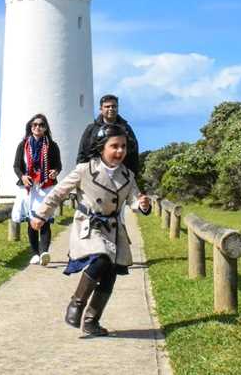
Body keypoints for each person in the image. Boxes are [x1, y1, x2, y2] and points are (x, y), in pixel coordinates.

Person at [31, 124, 151, 336]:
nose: (120, 151)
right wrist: (42, 214)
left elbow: (133, 200)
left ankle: (91, 320)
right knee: (101, 258)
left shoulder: (128, 175)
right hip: (89, 224)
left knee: (110, 274)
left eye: (123, 146)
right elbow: (59, 192)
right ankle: (76, 304)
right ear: (102, 147)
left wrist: (142, 205)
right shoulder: (85, 169)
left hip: (114, 229)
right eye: (114, 146)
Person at [10, 113, 62, 266]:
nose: (38, 127)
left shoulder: (52, 145)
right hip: (29, 187)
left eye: (41, 125)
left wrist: (55, 171)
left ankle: (44, 251)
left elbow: (58, 165)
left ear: (46, 128)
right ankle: (35, 253)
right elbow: (16, 166)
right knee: (31, 221)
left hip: (46, 185)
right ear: (30, 127)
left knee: (44, 219)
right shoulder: (23, 145)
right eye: (35, 125)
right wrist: (23, 176)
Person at [76, 94, 140, 175]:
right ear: (101, 109)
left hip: (120, 175)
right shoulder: (91, 129)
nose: (111, 109)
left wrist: (132, 174)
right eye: (107, 106)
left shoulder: (126, 129)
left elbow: (133, 154)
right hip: (95, 174)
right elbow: (82, 154)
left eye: (114, 106)